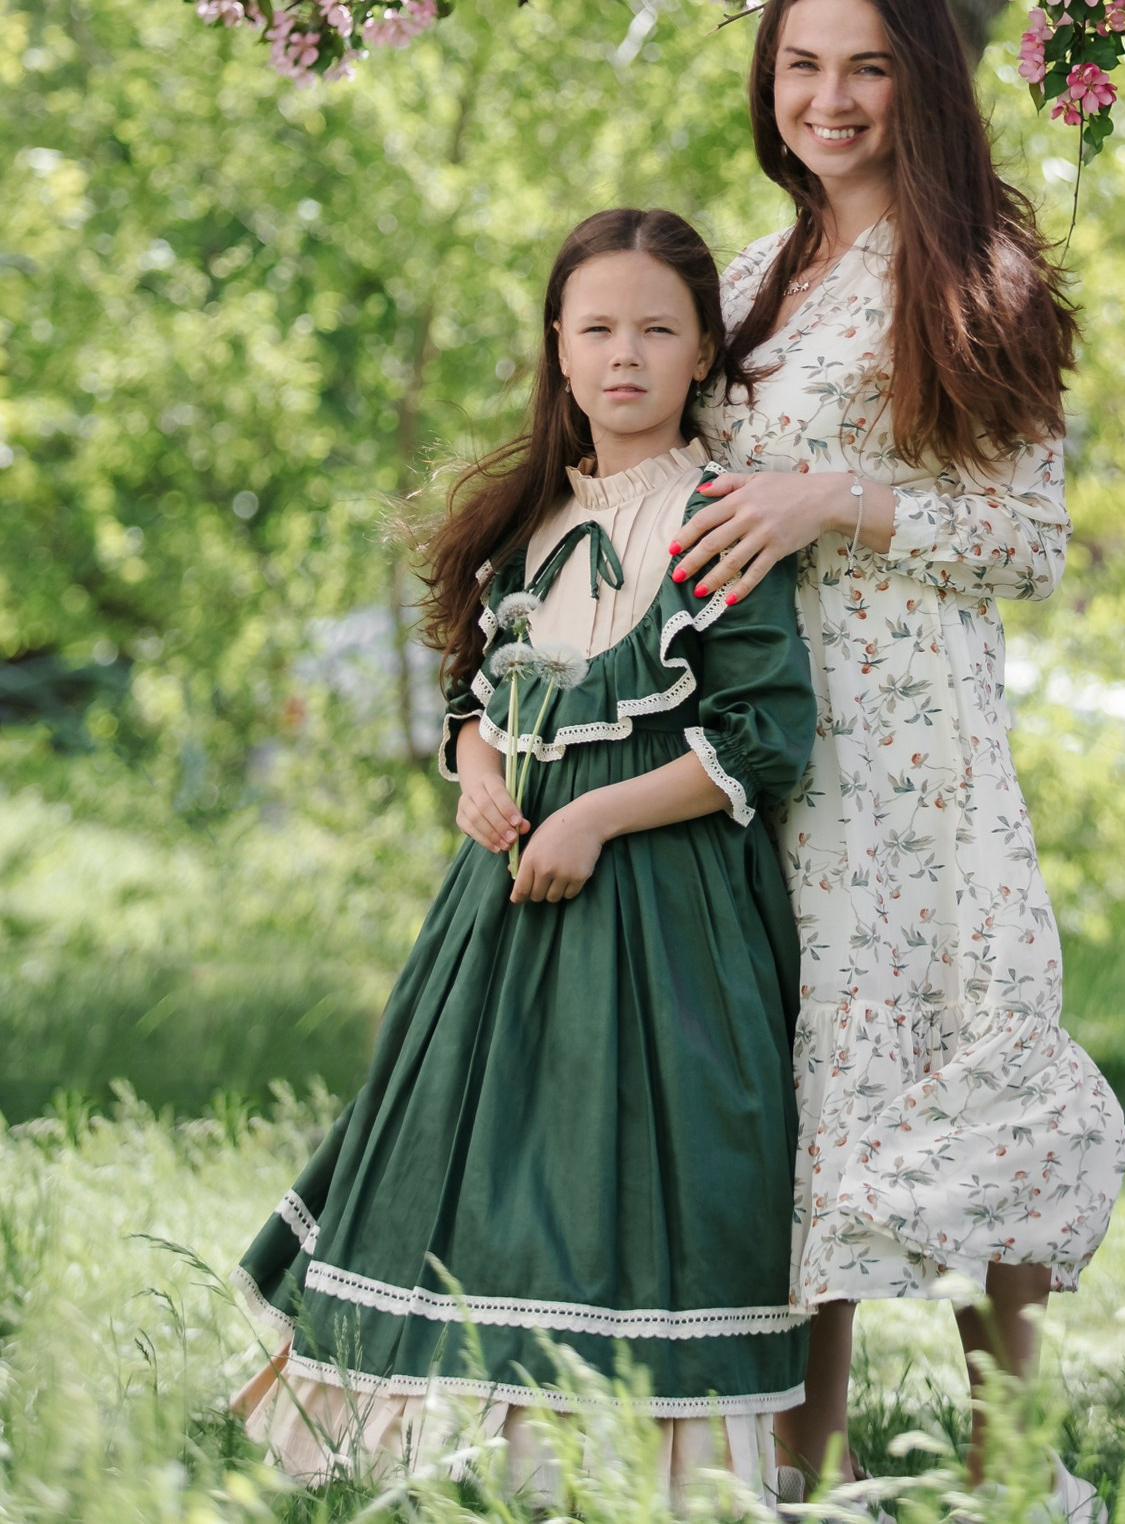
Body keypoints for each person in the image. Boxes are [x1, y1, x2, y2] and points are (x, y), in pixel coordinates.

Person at [232, 208, 815, 1494]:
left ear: (704, 349)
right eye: (596, 326)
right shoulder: (523, 528)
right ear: (556, 348)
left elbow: (765, 737)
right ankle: (445, 1449)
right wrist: (480, 772)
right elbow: (471, 702)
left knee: (627, 1177)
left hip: (663, 919)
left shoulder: (719, 517)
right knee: (473, 1159)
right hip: (497, 916)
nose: (625, 353)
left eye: (657, 327)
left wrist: (597, 814)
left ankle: (623, 1469)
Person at [675, 0, 1125, 1497]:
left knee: (966, 1055)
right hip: (768, 735)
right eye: (803, 65)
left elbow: (1023, 540)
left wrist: (829, 499)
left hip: (912, 744)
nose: (830, 97)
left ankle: (1020, 1472)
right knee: (808, 1092)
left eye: (865, 64)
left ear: (921, 76)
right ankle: (799, 1475)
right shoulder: (741, 280)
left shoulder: (968, 268)